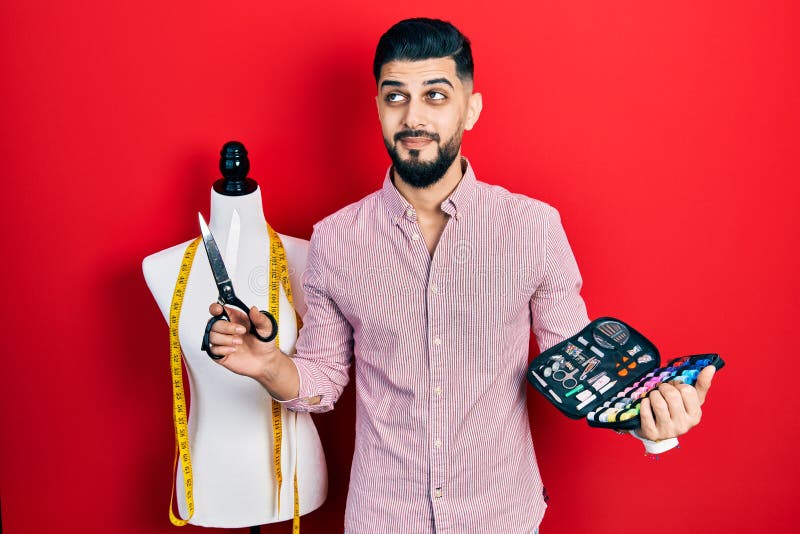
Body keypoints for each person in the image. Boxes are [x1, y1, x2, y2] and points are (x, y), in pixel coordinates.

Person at [205, 18, 715, 534]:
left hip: (501, 517)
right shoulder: (336, 240)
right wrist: (268, 364)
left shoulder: (533, 229)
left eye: (435, 94)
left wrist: (653, 422)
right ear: (379, 108)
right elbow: (323, 379)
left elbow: (579, 363)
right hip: (383, 520)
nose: (414, 116)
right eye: (396, 96)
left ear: (470, 108)